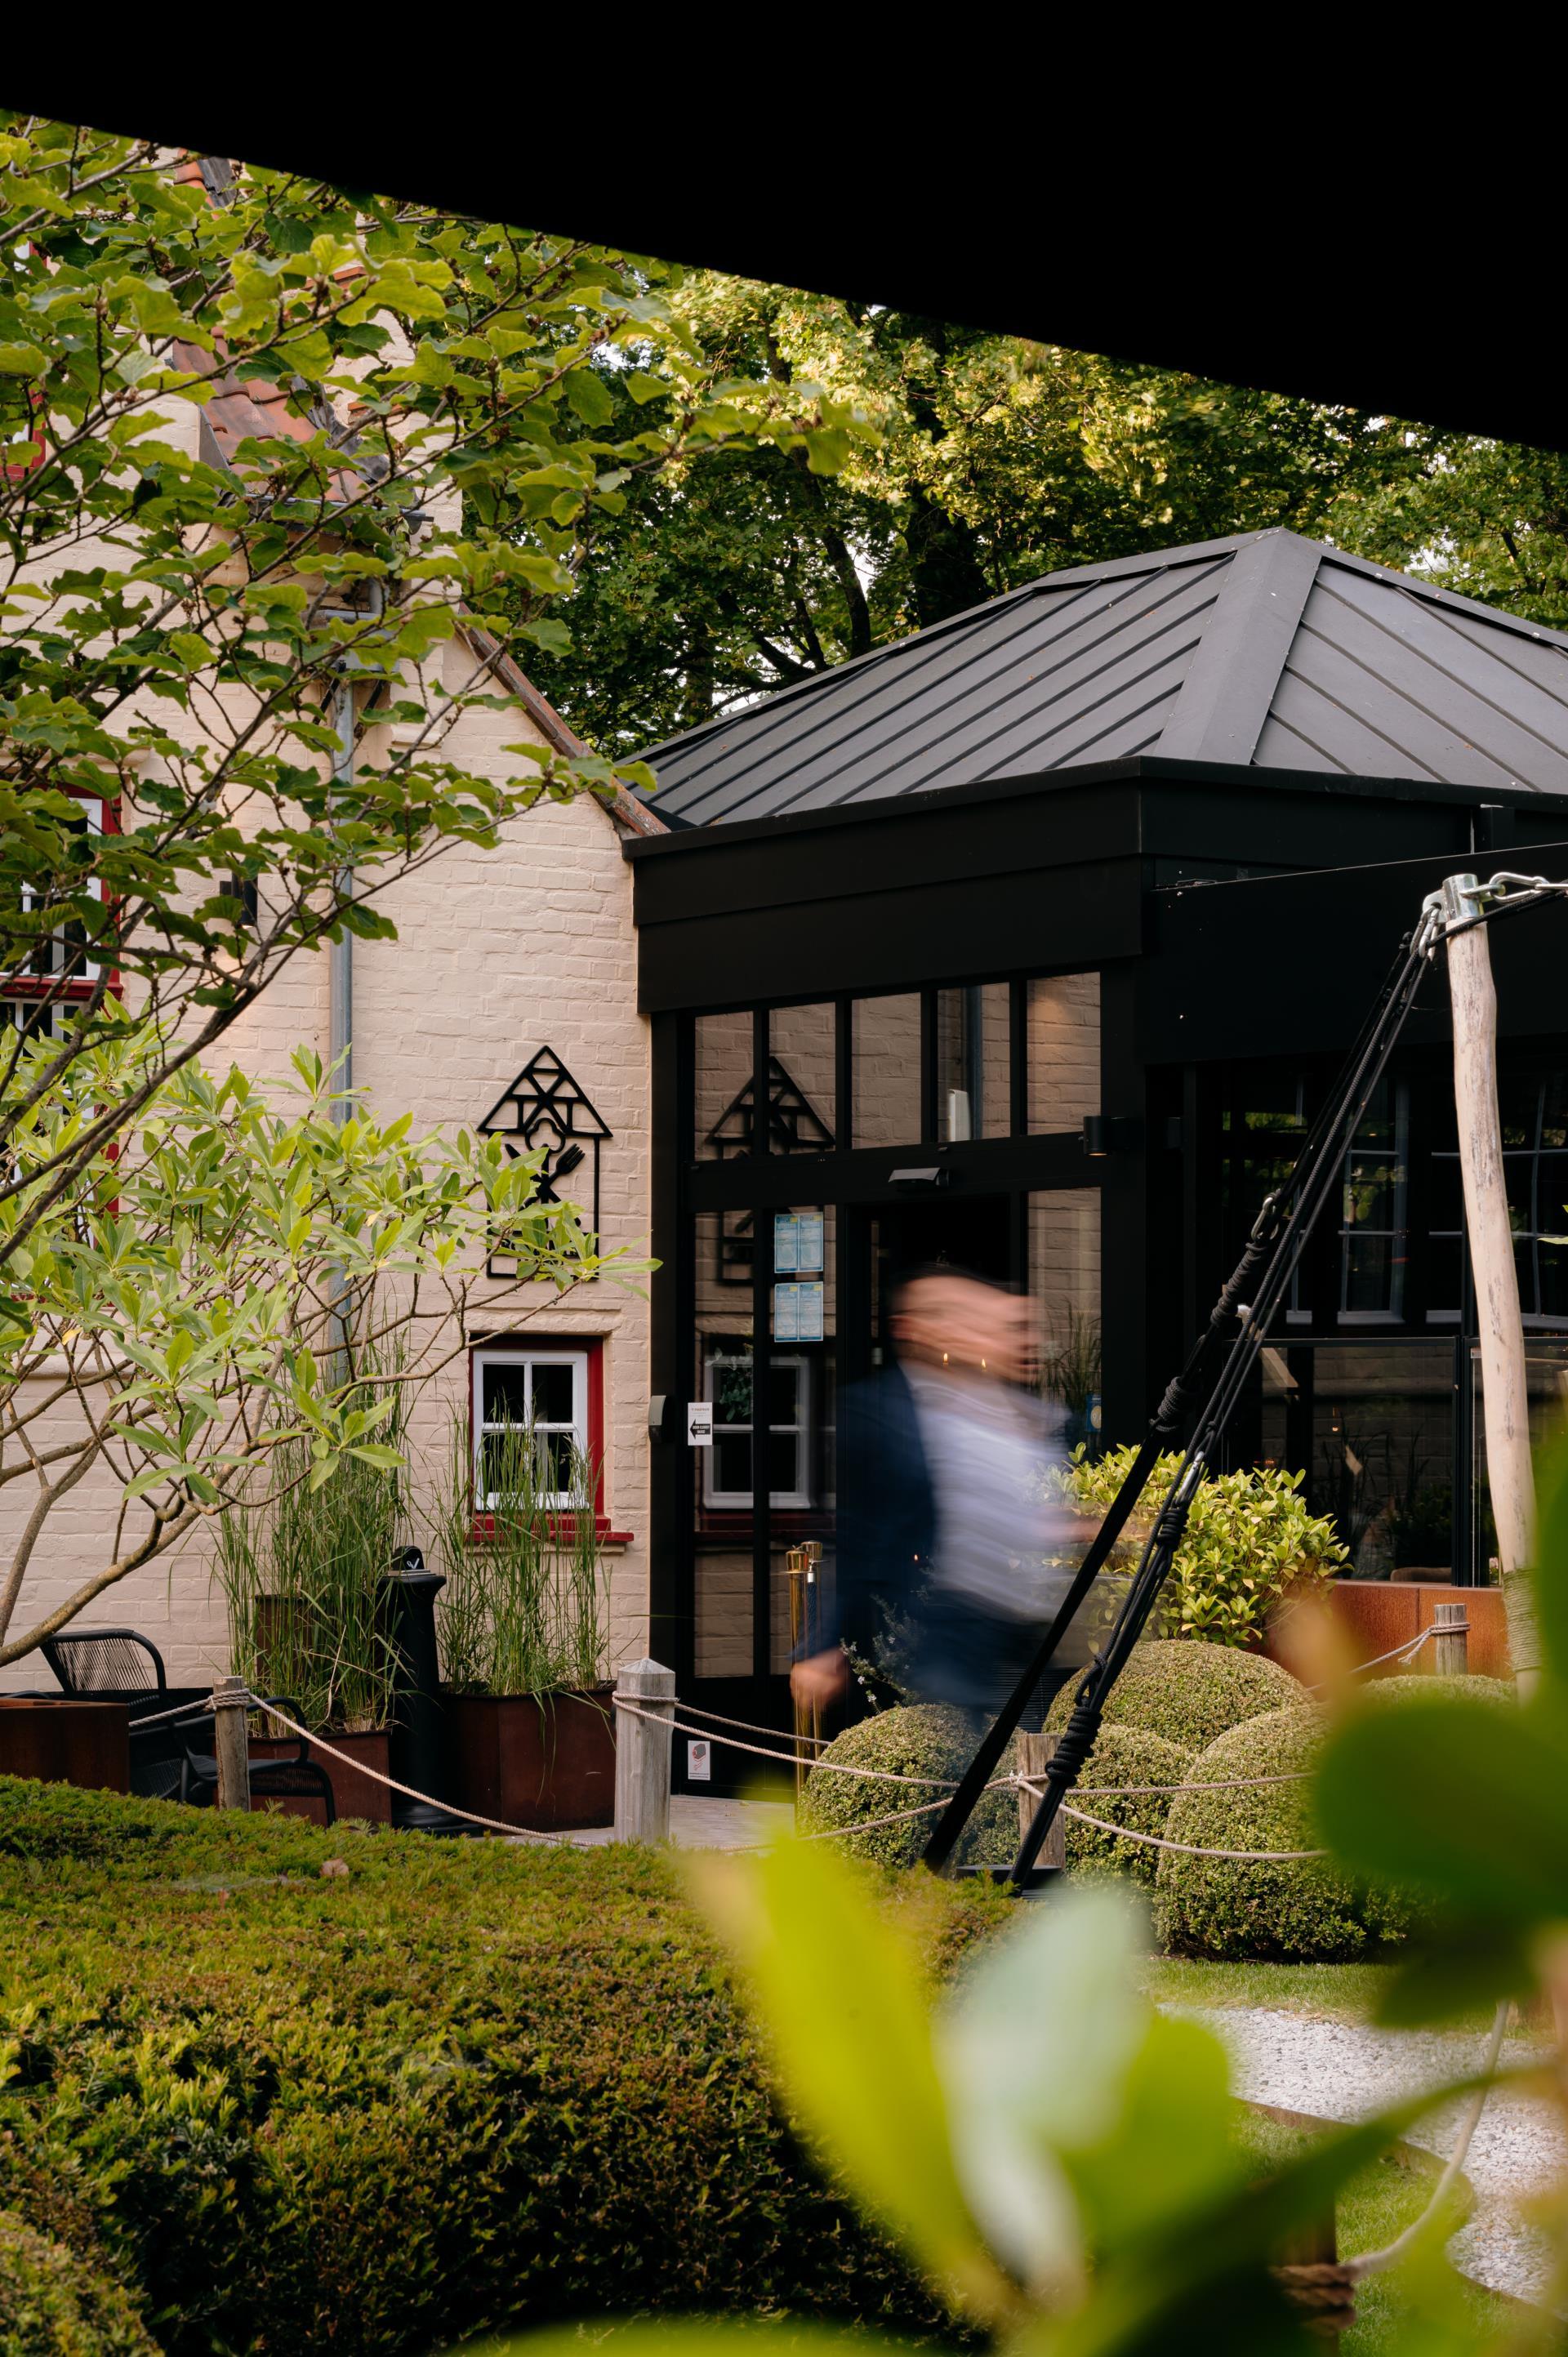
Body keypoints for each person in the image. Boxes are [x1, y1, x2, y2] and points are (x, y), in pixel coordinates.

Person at [790, 1266, 1102, 1722]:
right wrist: (823, 1648)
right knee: (970, 1754)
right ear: (915, 1329)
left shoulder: (1011, 1412)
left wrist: (1085, 1527)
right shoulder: (885, 1413)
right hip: (954, 1637)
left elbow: (1006, 1515)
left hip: (1022, 1636)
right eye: (953, 1315)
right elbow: (860, 1540)